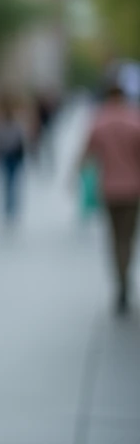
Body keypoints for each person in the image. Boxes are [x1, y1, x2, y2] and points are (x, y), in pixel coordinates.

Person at [81, 82, 140, 315]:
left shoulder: (99, 121)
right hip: (133, 189)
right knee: (127, 238)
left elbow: (88, 153)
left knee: (114, 239)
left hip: (108, 189)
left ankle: (120, 282)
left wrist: (75, 175)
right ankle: (125, 279)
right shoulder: (135, 121)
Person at [0, 93, 28, 225]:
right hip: (6, 156)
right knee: (8, 183)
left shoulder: (16, 123)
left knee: (12, 183)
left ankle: (11, 207)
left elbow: (21, 140)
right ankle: (8, 207)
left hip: (13, 157)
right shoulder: (0, 124)